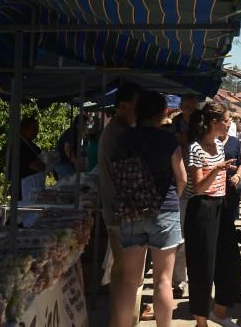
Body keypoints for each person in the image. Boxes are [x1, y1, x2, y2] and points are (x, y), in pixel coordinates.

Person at [112, 90, 187, 327]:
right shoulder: (168, 139)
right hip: (164, 210)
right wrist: (172, 200)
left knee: (129, 280)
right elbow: (182, 178)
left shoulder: (123, 138)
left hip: (131, 211)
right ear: (162, 113)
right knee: (163, 281)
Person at [184, 102, 241, 327]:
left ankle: (219, 311)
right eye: (226, 120)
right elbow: (198, 187)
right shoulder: (195, 148)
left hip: (222, 206)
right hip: (202, 209)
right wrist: (217, 169)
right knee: (202, 265)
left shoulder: (219, 144)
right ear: (213, 122)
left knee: (228, 260)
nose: (229, 124)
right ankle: (201, 320)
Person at [97, 82, 144, 327]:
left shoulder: (116, 131)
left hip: (118, 213)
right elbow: (130, 177)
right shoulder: (119, 134)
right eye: (137, 106)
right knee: (126, 277)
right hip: (122, 215)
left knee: (121, 275)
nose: (139, 111)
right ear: (124, 106)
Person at [171, 92, 200, 297]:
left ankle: (199, 279)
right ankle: (179, 281)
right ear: (181, 106)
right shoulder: (174, 124)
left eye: (194, 108)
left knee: (198, 238)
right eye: (187, 107)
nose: (190, 111)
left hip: (200, 187)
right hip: (180, 187)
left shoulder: (202, 124)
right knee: (180, 239)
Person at [18, 116, 46, 201]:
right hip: (24, 186)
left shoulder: (32, 145)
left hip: (35, 184)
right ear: (24, 129)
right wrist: (47, 165)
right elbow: (35, 165)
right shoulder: (20, 145)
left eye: (37, 129)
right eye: (33, 128)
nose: (36, 132)